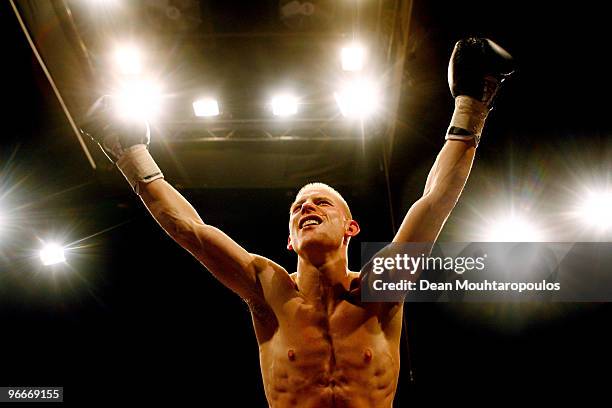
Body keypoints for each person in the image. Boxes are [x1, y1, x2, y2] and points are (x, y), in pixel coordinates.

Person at [82, 37, 514, 407]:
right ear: (289, 242)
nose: (305, 208)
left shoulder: (380, 289)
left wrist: (472, 104)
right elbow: (191, 231)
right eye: (297, 207)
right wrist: (130, 153)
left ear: (351, 228)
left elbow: (434, 201)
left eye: (321, 203)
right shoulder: (267, 288)